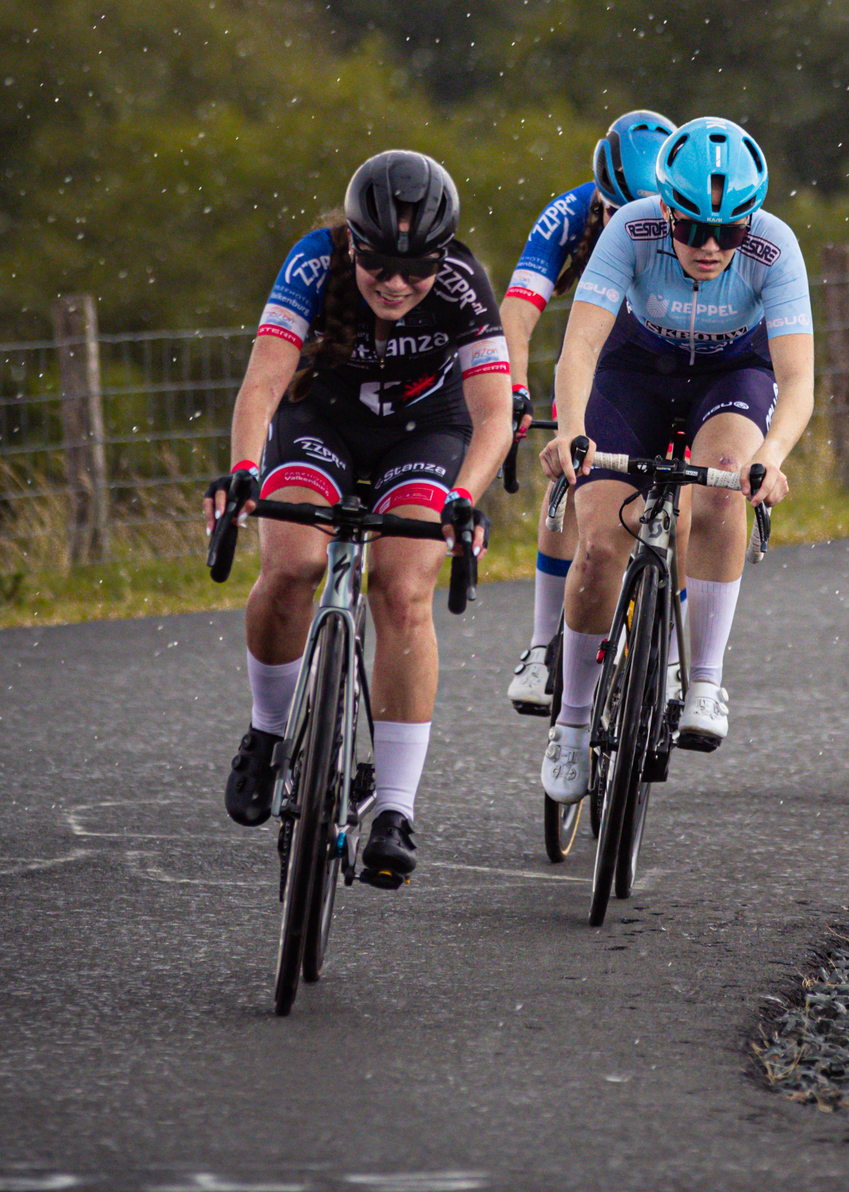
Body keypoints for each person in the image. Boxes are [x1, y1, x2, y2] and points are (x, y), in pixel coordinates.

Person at [210, 148, 513, 886]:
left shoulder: (465, 283)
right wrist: (245, 473)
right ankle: (267, 731)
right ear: (354, 243)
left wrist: (463, 497)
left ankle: (396, 809)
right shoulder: (314, 263)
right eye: (381, 264)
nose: (399, 283)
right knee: (292, 566)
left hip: (425, 432)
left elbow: (495, 414)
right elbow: (263, 385)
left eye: (419, 269)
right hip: (323, 422)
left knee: (402, 590)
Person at [537, 116, 813, 804]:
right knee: (600, 545)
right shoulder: (628, 229)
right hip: (634, 373)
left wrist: (771, 457)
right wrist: (570, 429)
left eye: (730, 230)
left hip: (731, 376)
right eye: (692, 228)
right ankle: (570, 725)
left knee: (725, 492)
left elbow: (798, 378)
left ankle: (706, 683)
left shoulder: (775, 247)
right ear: (665, 209)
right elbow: (580, 350)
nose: (712, 246)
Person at [499, 109, 674, 715]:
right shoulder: (569, 215)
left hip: (670, 345)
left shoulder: (684, 222)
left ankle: (673, 656)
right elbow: (518, 312)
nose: (623, 226)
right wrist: (514, 390)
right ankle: (544, 642)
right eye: (611, 213)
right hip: (600, 351)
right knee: (571, 471)